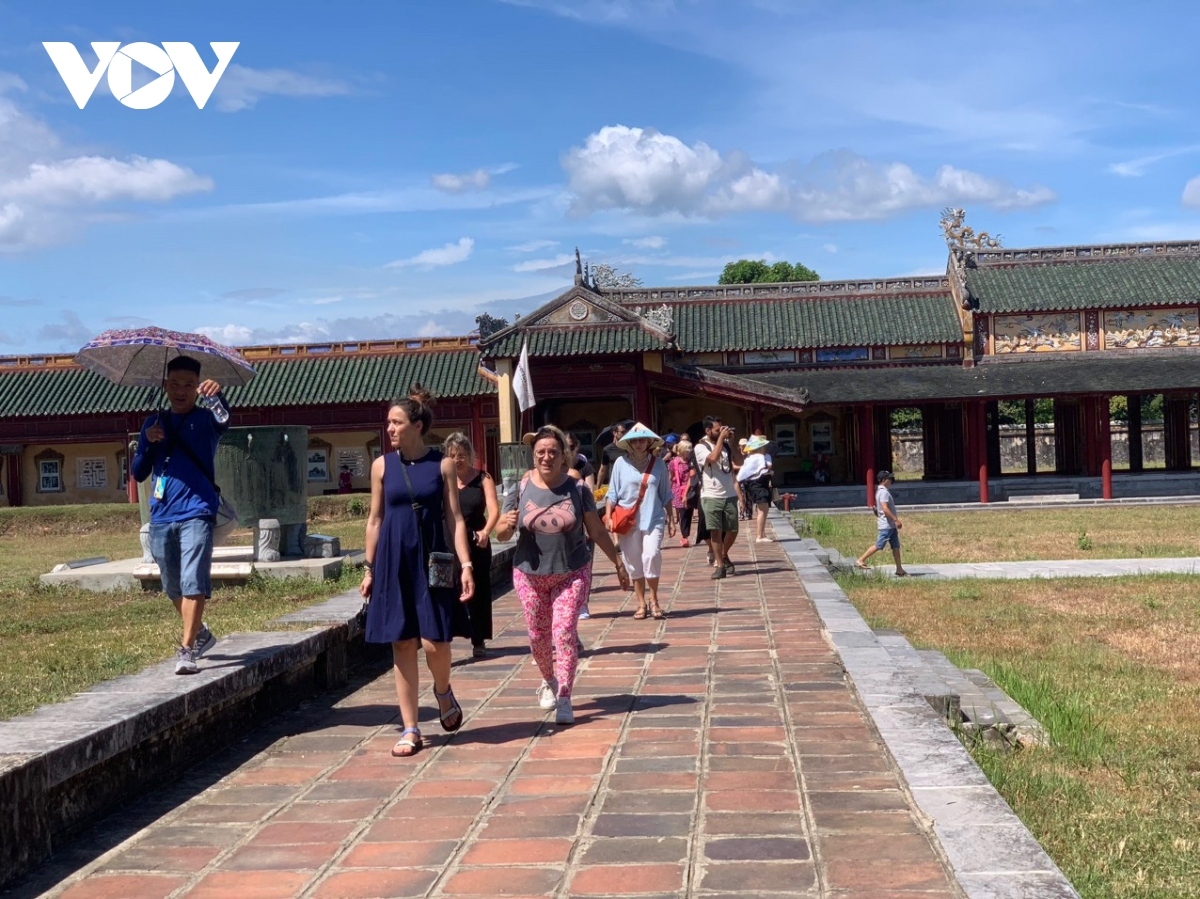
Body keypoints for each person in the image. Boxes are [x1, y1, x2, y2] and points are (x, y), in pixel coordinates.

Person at [359, 387, 476, 758]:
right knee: (402, 641)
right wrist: (368, 567)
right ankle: (410, 728)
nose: (389, 428)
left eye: (397, 422)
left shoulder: (441, 465)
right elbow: (375, 519)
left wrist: (467, 564)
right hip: (393, 561)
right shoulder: (381, 466)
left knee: (435, 641)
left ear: (417, 425)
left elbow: (455, 518)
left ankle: (442, 691)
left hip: (433, 560)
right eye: (388, 422)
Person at [497, 425, 630, 725]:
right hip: (529, 574)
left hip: (571, 571)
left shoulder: (578, 489)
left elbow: (595, 530)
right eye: (540, 452)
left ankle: (565, 696)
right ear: (533, 456)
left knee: (564, 633)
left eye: (553, 452)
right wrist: (504, 525)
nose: (546, 457)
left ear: (563, 457)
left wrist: (618, 563)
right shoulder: (519, 487)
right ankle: (548, 679)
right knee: (537, 635)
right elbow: (503, 535)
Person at [132, 356, 229, 675]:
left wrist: (217, 396)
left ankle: (187, 649)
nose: (181, 391)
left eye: (189, 384)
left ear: (197, 387)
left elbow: (224, 418)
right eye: (174, 384)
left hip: (197, 510)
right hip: (161, 515)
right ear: (165, 386)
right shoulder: (153, 423)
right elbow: (138, 472)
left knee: (192, 578)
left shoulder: (206, 419)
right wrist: (147, 443)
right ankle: (201, 632)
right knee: (172, 583)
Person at [606, 423, 673, 620]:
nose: (638, 444)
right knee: (633, 562)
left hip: (653, 518)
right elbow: (612, 493)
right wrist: (609, 517)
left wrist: (672, 518)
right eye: (634, 440)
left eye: (642, 440)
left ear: (649, 441)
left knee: (651, 555)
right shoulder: (620, 463)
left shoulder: (659, 464)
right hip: (628, 521)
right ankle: (641, 602)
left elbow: (666, 494)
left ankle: (654, 599)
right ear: (628, 443)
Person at [443, 432, 500, 659]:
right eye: (453, 455)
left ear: (470, 455)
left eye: (462, 455)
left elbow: (494, 510)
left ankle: (479, 640)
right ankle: (446, 635)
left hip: (476, 540)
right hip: (450, 541)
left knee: (479, 590)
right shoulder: (444, 480)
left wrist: (486, 531)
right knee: (448, 589)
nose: (458, 460)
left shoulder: (483, 478)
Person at [694, 415, 742, 580]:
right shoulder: (700, 447)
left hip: (729, 493)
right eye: (717, 430)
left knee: (733, 529)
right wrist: (721, 440)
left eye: (722, 429)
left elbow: (740, 461)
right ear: (708, 431)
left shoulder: (726, 446)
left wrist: (732, 443)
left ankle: (723, 553)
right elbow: (712, 459)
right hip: (711, 495)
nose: (721, 432)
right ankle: (720, 565)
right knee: (716, 531)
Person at [856, 470, 908, 576]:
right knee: (879, 545)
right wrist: (895, 520)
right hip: (887, 525)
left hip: (890, 526)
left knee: (896, 546)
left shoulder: (881, 491)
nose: (891, 481)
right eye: (889, 479)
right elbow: (884, 508)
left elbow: (877, 508)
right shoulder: (883, 492)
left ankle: (899, 568)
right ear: (884, 480)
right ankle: (860, 560)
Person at [738, 435, 775, 542]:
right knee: (762, 509)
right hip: (757, 485)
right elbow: (766, 467)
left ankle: (762, 533)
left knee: (764, 509)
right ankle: (759, 535)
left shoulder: (750, 458)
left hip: (756, 484)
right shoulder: (758, 457)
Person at [668, 439, 697, 547]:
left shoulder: (692, 462)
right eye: (688, 449)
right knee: (682, 512)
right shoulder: (673, 462)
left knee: (689, 512)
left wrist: (686, 492)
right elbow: (670, 477)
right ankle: (684, 536)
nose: (690, 451)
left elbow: (692, 477)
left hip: (690, 489)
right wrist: (667, 491)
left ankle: (686, 533)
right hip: (678, 490)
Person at [596, 419, 633, 487]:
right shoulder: (607, 450)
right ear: (615, 433)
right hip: (614, 484)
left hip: (628, 484)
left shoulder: (630, 447)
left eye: (626, 432)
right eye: (623, 432)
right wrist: (597, 488)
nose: (625, 434)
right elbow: (603, 470)